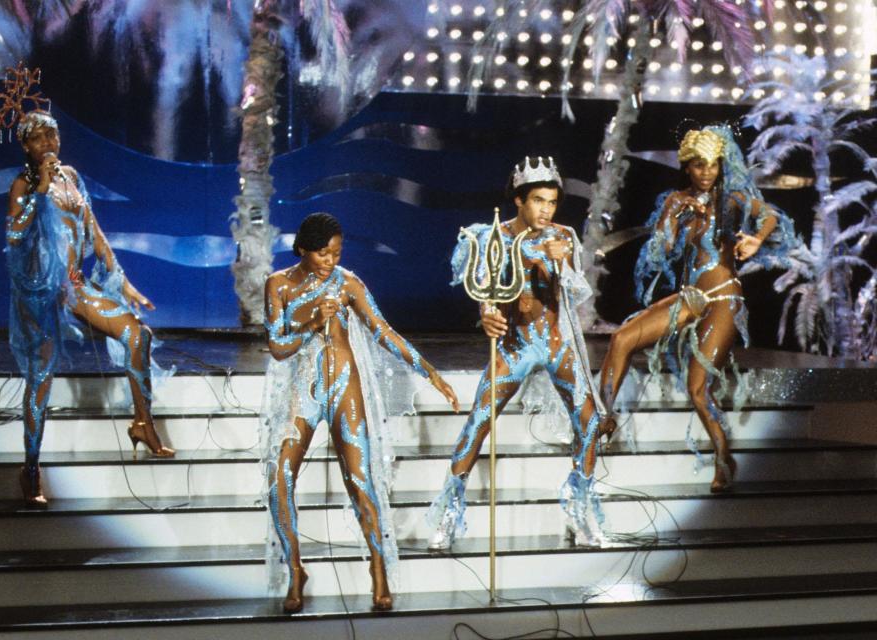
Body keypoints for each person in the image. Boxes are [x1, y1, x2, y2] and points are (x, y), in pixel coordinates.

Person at [260, 212, 459, 613]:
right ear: (302, 249)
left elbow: (383, 331)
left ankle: (378, 568)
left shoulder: (348, 283)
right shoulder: (278, 285)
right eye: (322, 253)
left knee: (360, 481)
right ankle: (295, 570)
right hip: (304, 387)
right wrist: (312, 322)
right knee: (279, 477)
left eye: (336, 252)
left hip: (344, 387)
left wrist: (431, 371)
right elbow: (278, 347)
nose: (331, 260)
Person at [0, 75, 173, 507]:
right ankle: (31, 468)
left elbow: (94, 231)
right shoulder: (22, 186)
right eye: (38, 137)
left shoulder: (71, 177)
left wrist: (123, 280)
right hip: (42, 292)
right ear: (26, 146)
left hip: (75, 285)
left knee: (138, 334)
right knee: (40, 379)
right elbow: (15, 237)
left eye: (52, 133)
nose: (48, 141)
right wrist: (38, 192)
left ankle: (143, 423)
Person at [598, 125, 800, 492]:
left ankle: (723, 456)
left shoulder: (733, 198)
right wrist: (671, 214)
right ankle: (604, 417)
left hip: (723, 298)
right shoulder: (675, 199)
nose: (706, 172)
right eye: (699, 165)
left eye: (712, 165)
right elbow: (661, 251)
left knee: (697, 388)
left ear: (721, 166)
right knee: (622, 337)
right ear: (687, 167)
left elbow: (770, 216)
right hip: (690, 297)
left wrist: (755, 240)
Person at [427, 157, 607, 551]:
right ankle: (447, 514)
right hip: (516, 345)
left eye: (553, 202)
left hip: (556, 343)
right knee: (478, 422)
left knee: (591, 423)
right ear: (520, 201)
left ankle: (580, 509)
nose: (546, 210)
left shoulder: (564, 236)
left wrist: (561, 262)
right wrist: (487, 315)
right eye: (539, 201)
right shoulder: (493, 235)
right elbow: (483, 290)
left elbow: (577, 294)